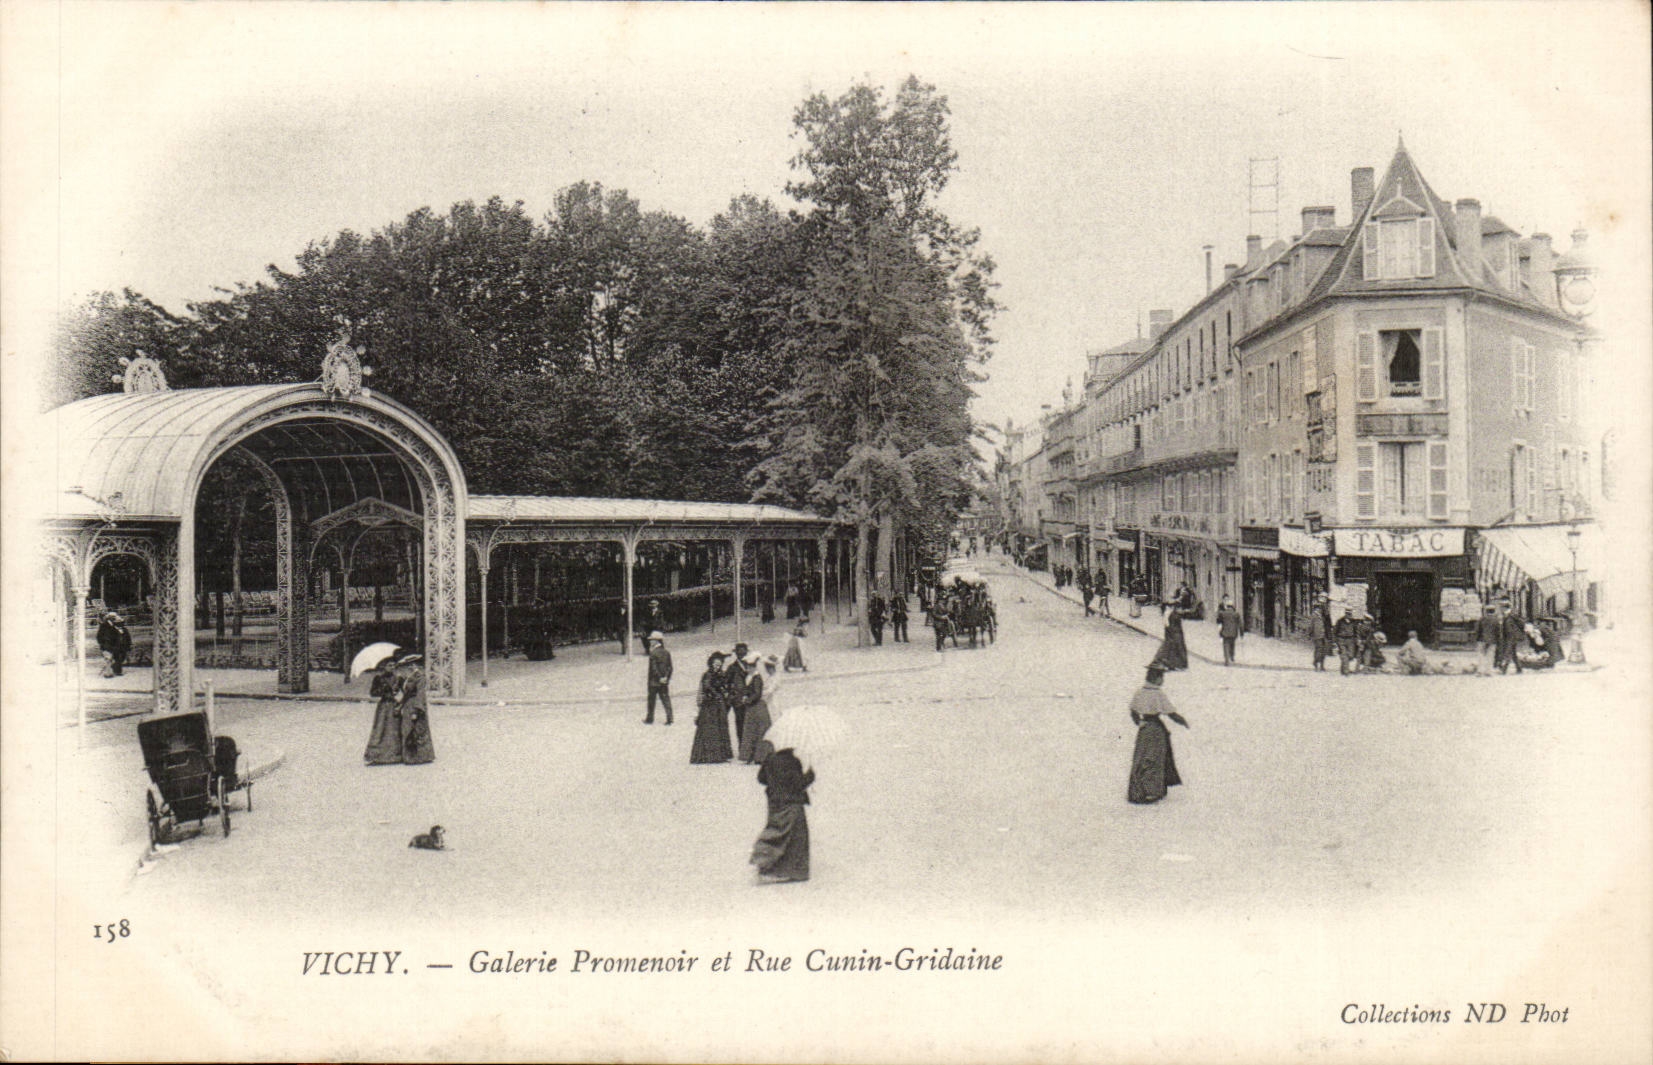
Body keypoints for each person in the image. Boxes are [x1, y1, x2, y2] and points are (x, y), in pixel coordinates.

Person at [751, 744, 814, 884]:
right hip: (792, 804)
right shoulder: (792, 761)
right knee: (795, 838)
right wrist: (810, 775)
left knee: (776, 831)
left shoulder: (770, 759)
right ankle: (793, 870)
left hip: (774, 803)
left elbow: (761, 779)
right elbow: (798, 784)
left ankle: (765, 863)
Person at [1128, 663, 1189, 805]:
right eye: (1161, 678)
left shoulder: (1140, 692)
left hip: (1144, 730)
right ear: (1157, 679)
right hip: (1156, 729)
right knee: (1155, 758)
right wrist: (1183, 721)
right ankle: (1153, 790)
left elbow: (1133, 711)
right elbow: (1171, 713)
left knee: (1142, 757)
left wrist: (1139, 723)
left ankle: (1138, 790)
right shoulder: (1158, 694)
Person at [367, 652, 435, 765]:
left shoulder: (409, 677)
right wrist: (388, 693)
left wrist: (415, 709)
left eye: (413, 665)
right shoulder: (382, 678)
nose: (411, 667)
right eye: (389, 665)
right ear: (384, 666)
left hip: (408, 705)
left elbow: (416, 694)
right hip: (386, 707)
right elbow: (374, 692)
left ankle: (415, 756)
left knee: (411, 729)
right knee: (383, 729)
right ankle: (384, 755)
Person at [690, 651, 733, 764]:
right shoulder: (707, 675)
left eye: (719, 665)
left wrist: (725, 692)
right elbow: (706, 687)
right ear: (711, 664)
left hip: (719, 706)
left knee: (721, 728)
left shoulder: (722, 674)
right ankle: (709, 755)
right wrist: (717, 694)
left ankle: (722, 753)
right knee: (710, 729)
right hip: (709, 706)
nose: (717, 667)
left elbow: (726, 686)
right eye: (715, 664)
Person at [735, 652, 771, 764]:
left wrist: (748, 699)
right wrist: (744, 696)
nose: (748, 669)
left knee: (759, 730)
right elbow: (748, 690)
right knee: (750, 730)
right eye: (747, 666)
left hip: (757, 706)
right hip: (751, 708)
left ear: (753, 667)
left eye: (750, 667)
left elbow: (757, 693)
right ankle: (751, 755)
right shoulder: (750, 677)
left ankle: (760, 756)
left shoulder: (757, 678)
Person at [643, 631, 673, 725]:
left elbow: (653, 668)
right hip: (664, 682)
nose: (650, 642)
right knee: (666, 699)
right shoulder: (666, 652)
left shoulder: (653, 653)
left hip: (653, 682)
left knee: (651, 700)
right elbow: (670, 667)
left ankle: (650, 718)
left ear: (656, 641)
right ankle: (670, 718)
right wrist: (666, 678)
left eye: (652, 640)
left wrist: (659, 677)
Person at [724, 642, 751, 741]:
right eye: (740, 654)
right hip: (738, 701)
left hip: (750, 699)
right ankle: (742, 745)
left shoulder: (751, 665)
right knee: (740, 724)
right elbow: (726, 683)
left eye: (744, 654)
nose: (742, 656)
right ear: (736, 654)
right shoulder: (732, 668)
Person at [96, 611, 132, 677]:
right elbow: (99, 636)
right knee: (109, 659)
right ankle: (108, 673)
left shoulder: (116, 625)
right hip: (107, 645)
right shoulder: (104, 626)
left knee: (118, 658)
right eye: (113, 617)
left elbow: (122, 635)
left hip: (115, 645)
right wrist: (102, 643)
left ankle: (117, 670)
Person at [1156, 605, 1189, 671]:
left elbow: (1168, 625)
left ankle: (1172, 664)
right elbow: (1171, 625)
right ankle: (1179, 665)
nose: (1181, 610)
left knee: (1174, 649)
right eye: (1180, 608)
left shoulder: (1172, 614)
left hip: (1175, 633)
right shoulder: (1174, 615)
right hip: (1176, 633)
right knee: (1178, 649)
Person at [1498, 603, 1527, 675]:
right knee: (1513, 654)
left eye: (1502, 608)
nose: (1501, 609)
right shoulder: (1507, 615)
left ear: (1505, 608)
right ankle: (1519, 668)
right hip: (1510, 637)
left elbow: (1521, 623)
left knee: (1508, 652)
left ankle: (1504, 669)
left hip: (1511, 637)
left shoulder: (1512, 615)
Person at [1215, 597, 1242, 666]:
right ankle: (1232, 656)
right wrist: (1241, 633)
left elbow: (1218, 621)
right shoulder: (1236, 614)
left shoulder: (1223, 613)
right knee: (1232, 645)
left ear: (1227, 606)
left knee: (1226, 646)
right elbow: (1240, 624)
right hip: (1233, 633)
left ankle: (1227, 660)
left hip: (1225, 632)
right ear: (1233, 606)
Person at [1309, 594, 1334, 671]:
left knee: (1324, 649)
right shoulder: (1315, 614)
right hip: (1318, 634)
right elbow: (1311, 624)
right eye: (1320, 606)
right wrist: (1310, 633)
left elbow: (1329, 623)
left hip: (1325, 633)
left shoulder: (1326, 614)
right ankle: (1316, 663)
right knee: (1319, 649)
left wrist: (1330, 632)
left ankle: (1322, 665)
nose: (1322, 607)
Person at [1475, 605, 1502, 675]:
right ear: (1494, 611)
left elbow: (1477, 630)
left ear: (1486, 611)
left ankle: (1480, 670)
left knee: (1481, 655)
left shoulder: (1482, 619)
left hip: (1482, 639)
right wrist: (1499, 640)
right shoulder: (1496, 620)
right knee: (1490, 656)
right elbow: (1498, 631)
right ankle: (1489, 671)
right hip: (1492, 640)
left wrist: (1477, 638)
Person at [1333, 606, 1360, 675]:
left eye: (1350, 614)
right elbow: (1335, 632)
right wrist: (1335, 641)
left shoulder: (1354, 622)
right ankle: (1346, 671)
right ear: (1345, 613)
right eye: (1347, 614)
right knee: (1344, 655)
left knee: (1350, 655)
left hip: (1351, 640)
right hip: (1341, 639)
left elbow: (1356, 631)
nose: (1348, 615)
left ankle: (1343, 669)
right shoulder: (1340, 621)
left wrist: (1357, 640)